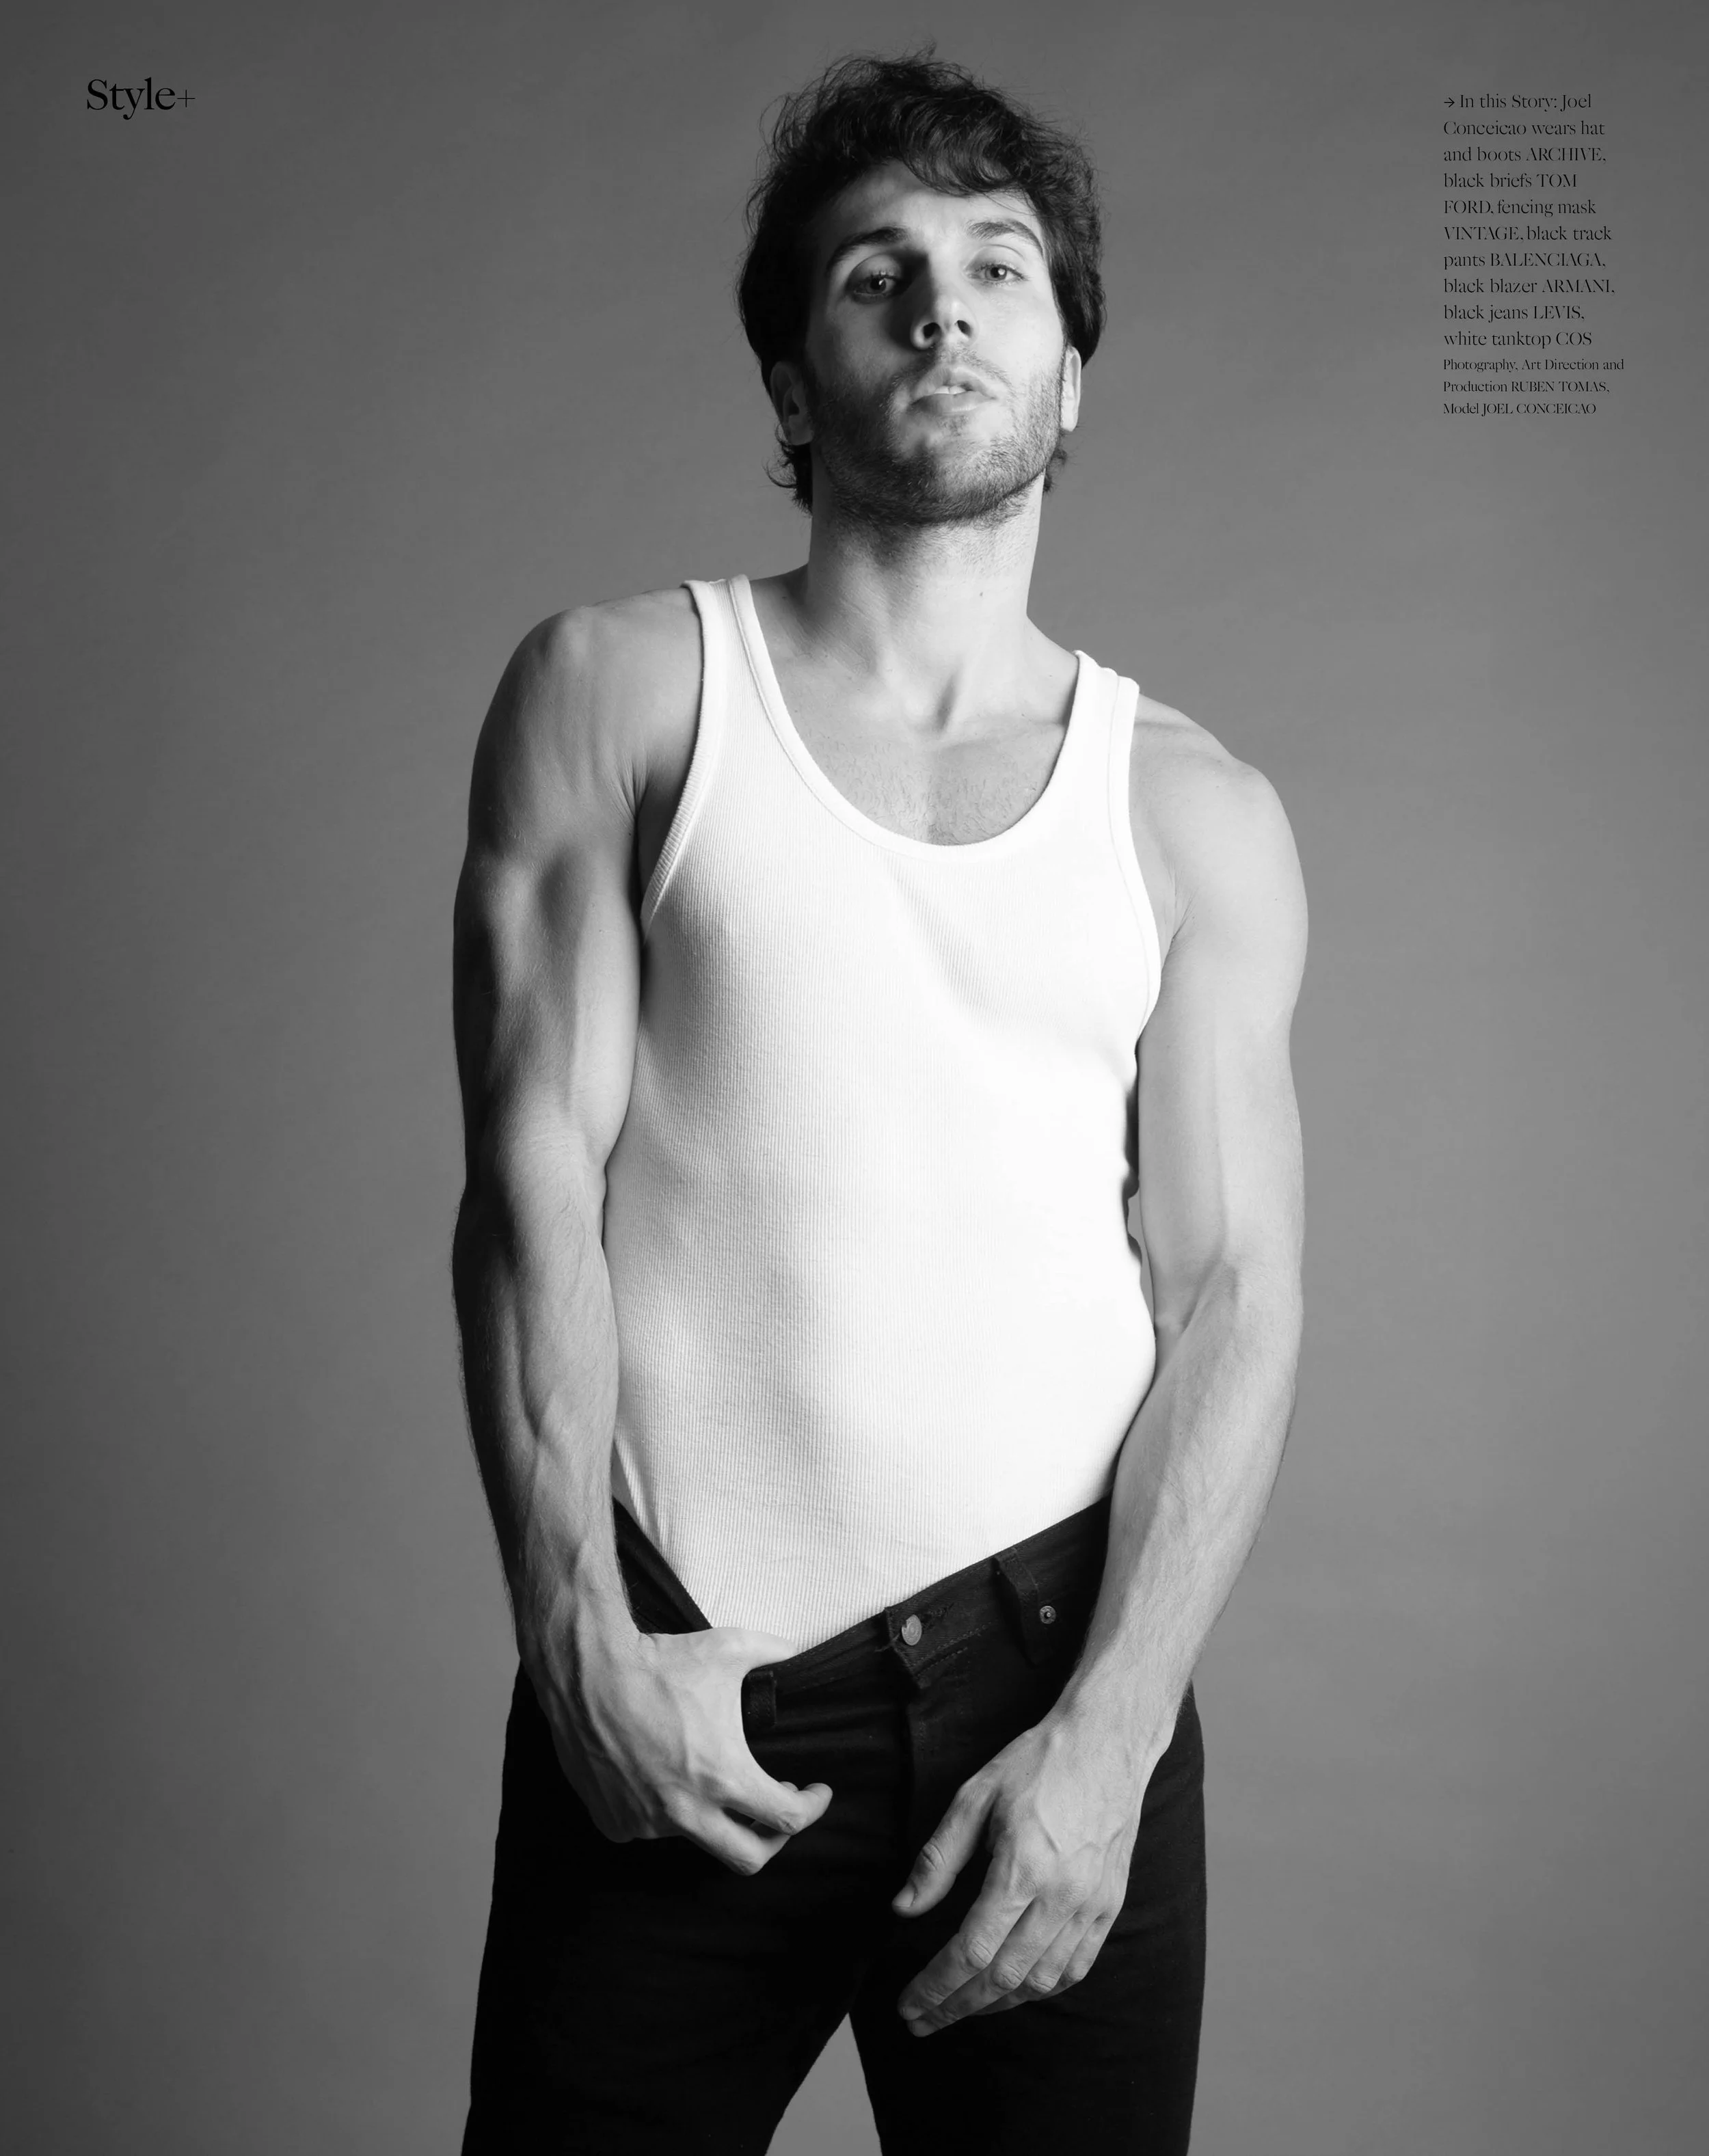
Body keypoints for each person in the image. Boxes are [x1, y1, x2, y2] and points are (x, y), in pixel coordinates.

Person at [450, 49, 1306, 2156]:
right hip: (686, 1687)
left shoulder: (1193, 808)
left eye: (999, 269)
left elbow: (1230, 1297)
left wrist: (1109, 1741)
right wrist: (575, 1639)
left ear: (1069, 371)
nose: (942, 310)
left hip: (1051, 1699)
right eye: (876, 273)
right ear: (789, 375)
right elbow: (530, 1178)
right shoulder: (626, 691)